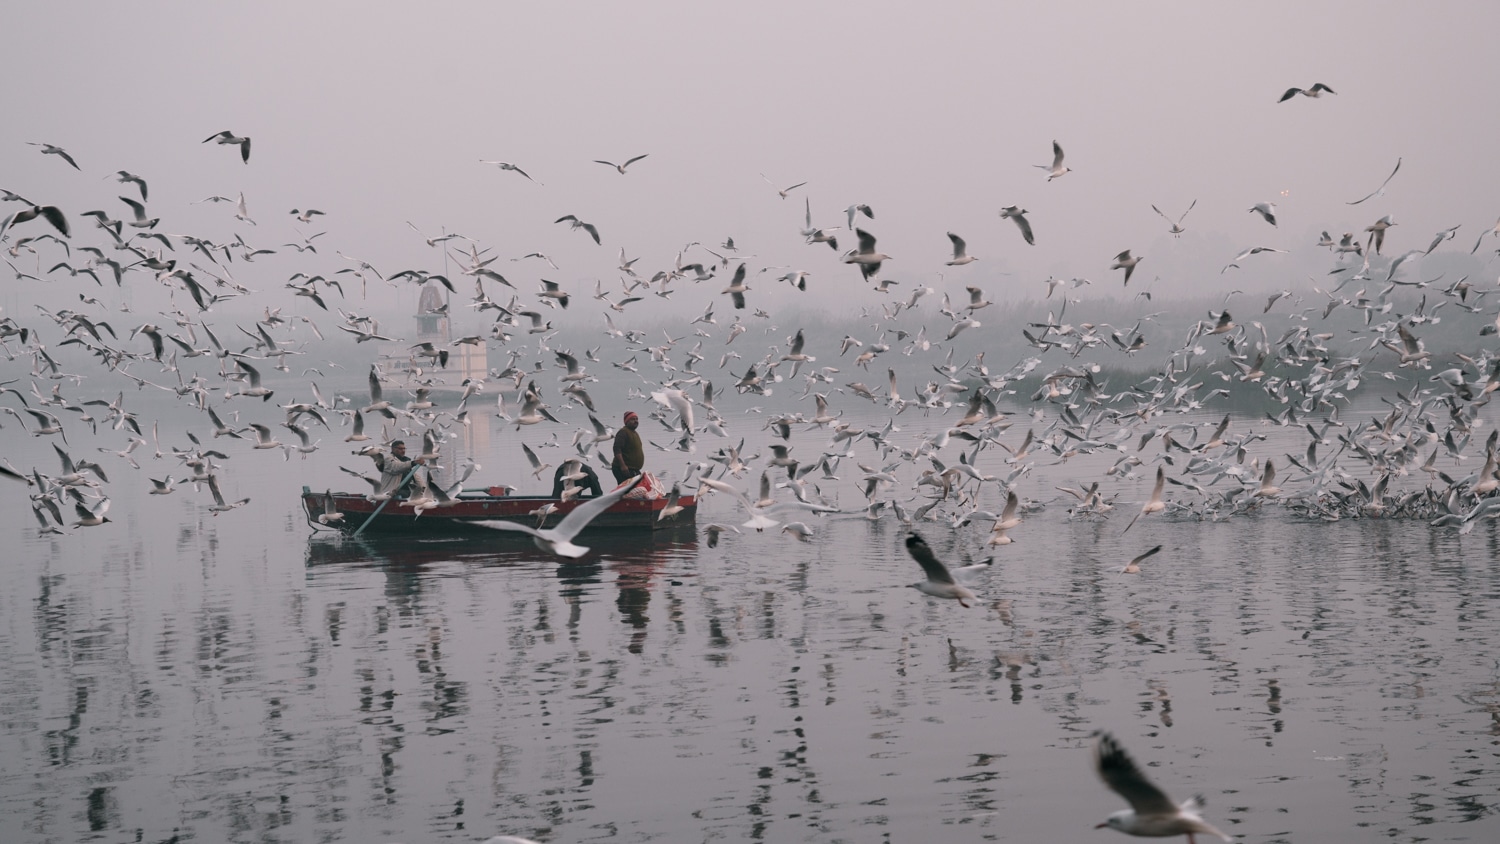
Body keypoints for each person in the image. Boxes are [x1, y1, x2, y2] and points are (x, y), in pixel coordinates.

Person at [612, 410, 644, 483]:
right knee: (627, 491)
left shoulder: (634, 433)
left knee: (639, 488)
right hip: (623, 468)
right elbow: (617, 449)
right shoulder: (623, 432)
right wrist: (623, 465)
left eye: (636, 419)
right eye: (633, 419)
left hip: (634, 469)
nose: (635, 421)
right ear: (627, 421)